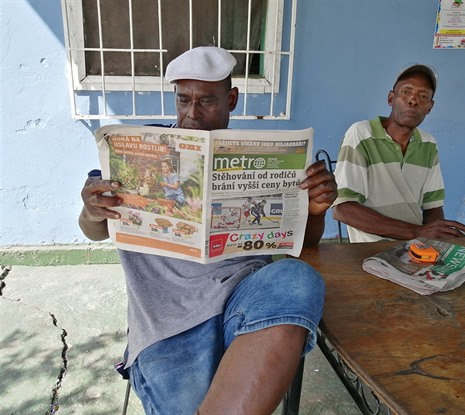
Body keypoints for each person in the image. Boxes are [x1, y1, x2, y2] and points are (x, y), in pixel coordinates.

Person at [79, 46, 337, 415]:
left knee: (298, 277)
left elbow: (304, 243)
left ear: (231, 99)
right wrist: (91, 210)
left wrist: (315, 210)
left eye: (206, 101)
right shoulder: (138, 149)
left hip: (245, 300)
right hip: (168, 324)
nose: (192, 114)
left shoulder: (263, 159)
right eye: (183, 100)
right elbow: (93, 231)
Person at [332, 63, 465, 243]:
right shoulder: (361, 134)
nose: (413, 100)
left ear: (430, 107)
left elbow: (433, 207)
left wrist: (435, 241)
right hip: (370, 249)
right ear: (391, 98)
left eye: (423, 96)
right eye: (406, 92)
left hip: (414, 247)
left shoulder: (428, 144)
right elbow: (343, 208)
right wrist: (417, 232)